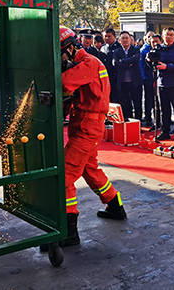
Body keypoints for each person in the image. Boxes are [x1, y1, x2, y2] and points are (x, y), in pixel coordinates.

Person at [58, 27, 127, 247]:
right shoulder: (87, 63)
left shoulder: (87, 64)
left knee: (65, 176)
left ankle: (69, 231)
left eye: (58, 53)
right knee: (90, 170)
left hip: (88, 125)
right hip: (85, 123)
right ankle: (115, 207)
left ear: (69, 48)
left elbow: (61, 84)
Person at [150, 27, 174, 143]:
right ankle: (165, 131)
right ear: (163, 35)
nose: (168, 37)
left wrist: (167, 67)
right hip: (161, 83)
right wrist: (149, 60)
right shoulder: (158, 48)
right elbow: (153, 64)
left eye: (171, 34)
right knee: (164, 110)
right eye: (166, 34)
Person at [111, 31, 142, 121]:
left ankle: (138, 124)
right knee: (125, 104)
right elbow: (115, 63)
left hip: (135, 82)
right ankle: (128, 123)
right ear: (119, 40)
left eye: (126, 38)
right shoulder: (117, 51)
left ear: (130, 39)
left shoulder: (136, 49)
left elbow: (136, 59)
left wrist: (122, 61)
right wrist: (129, 63)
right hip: (122, 83)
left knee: (137, 104)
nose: (125, 40)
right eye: (123, 38)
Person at [139, 32, 156, 127]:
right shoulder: (143, 50)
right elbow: (140, 65)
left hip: (156, 77)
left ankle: (157, 118)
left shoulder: (157, 47)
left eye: (152, 36)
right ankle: (148, 118)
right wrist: (143, 77)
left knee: (157, 99)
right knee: (148, 99)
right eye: (148, 36)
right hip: (148, 77)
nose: (150, 38)